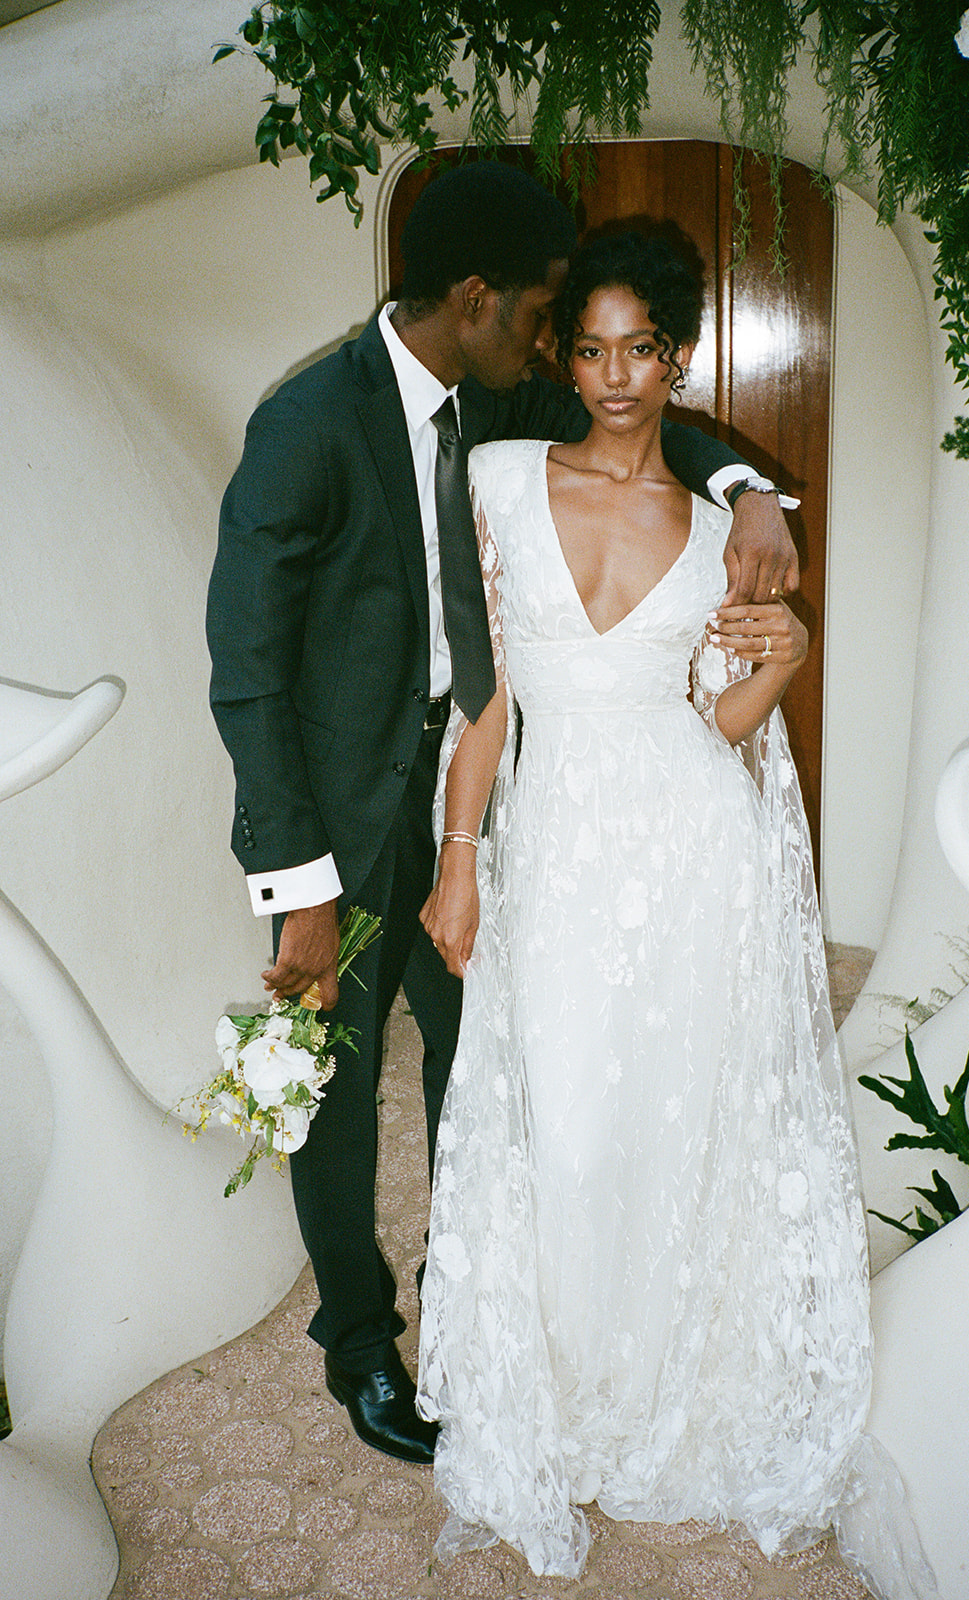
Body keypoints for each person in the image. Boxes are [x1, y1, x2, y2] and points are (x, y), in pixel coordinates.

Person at [206, 164, 798, 1471]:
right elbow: (245, 677)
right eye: (539, 312)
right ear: (473, 297)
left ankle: (477, 1304)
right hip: (338, 830)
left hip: (489, 795)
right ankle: (359, 1348)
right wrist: (297, 889)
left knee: (493, 1074)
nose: (553, 343)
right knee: (336, 1094)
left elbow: (646, 428)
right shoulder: (303, 426)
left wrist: (752, 497)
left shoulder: (495, 398)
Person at [416, 230, 935, 1597]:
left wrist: (791, 652)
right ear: (559, 357)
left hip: (687, 852)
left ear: (680, 358)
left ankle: (661, 1386)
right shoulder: (499, 482)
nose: (612, 376)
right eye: (587, 349)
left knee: (666, 1119)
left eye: (639, 349)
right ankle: (567, 1391)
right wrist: (457, 854)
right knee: (567, 1128)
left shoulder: (720, 534)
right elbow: (485, 699)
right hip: (557, 845)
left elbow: (720, 726)